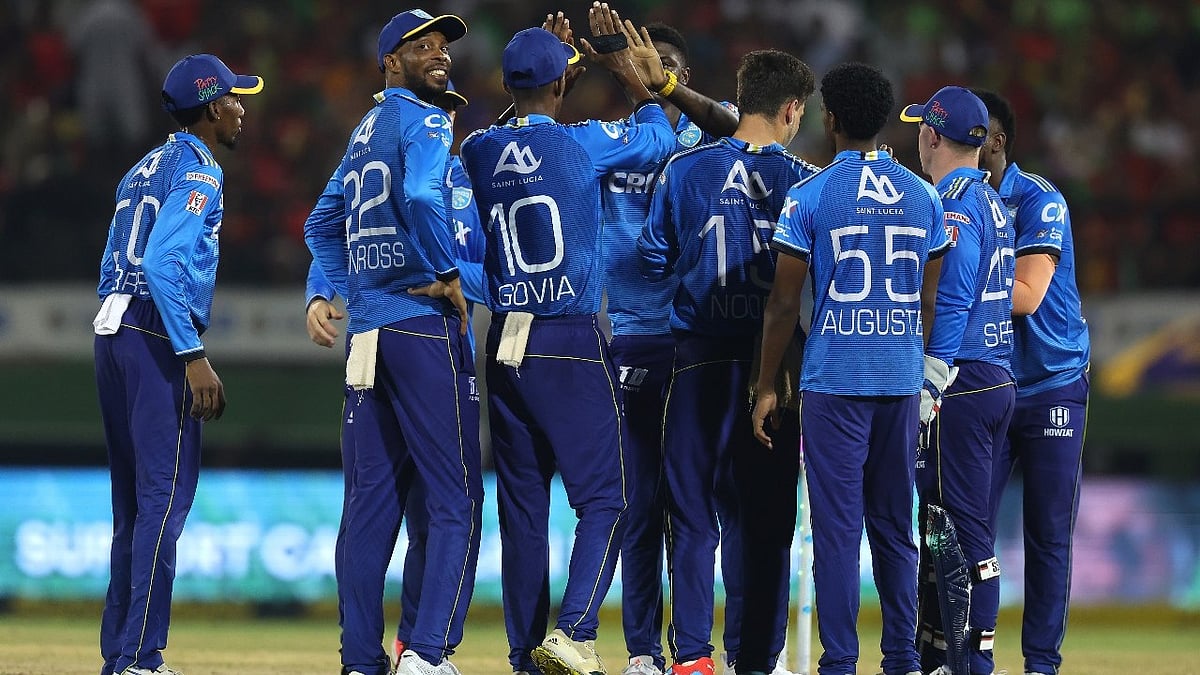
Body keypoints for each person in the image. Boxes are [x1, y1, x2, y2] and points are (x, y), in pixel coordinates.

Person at [459, 8, 675, 674]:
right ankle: (576, 628)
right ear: (561, 86)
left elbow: (505, 137)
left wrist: (542, 82)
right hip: (566, 336)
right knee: (607, 498)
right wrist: (632, 75)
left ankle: (524, 656)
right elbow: (660, 136)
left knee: (524, 509)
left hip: (502, 342)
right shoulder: (583, 142)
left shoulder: (476, 148)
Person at [751, 62, 948, 675]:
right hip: (898, 380)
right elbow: (930, 301)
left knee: (837, 533)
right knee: (895, 527)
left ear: (829, 118)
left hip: (834, 383)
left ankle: (840, 662)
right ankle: (902, 661)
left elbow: (785, 302)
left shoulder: (808, 197)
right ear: (883, 120)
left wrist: (764, 385)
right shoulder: (924, 197)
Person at [304, 9, 483, 675]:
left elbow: (322, 223)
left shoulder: (362, 132)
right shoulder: (426, 120)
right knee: (456, 496)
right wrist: (443, 272)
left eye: (444, 46)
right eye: (424, 45)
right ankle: (426, 654)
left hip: (369, 333)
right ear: (391, 61)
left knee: (368, 508)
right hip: (419, 323)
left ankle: (360, 661)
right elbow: (420, 194)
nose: (440, 54)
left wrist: (336, 289)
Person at [638, 49, 817, 675]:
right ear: (792, 110)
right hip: (778, 375)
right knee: (764, 526)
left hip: (697, 363)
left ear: (743, 96)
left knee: (690, 515)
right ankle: (755, 661)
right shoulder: (808, 182)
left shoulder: (682, 170)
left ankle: (691, 658)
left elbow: (653, 261)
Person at [92, 52, 262, 675]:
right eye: (236, 99)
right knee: (163, 502)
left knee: (132, 508)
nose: (243, 109)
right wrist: (191, 353)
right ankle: (140, 659)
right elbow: (163, 264)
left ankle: (120, 653)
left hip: (111, 327)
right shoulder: (200, 171)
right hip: (156, 332)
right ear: (213, 106)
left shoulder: (142, 167)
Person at [597, 17, 738, 675]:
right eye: (644, 62)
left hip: (695, 342)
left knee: (695, 505)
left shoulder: (710, 141)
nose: (654, 69)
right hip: (629, 337)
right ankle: (643, 651)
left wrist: (666, 89)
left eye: (668, 64)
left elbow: (741, 121)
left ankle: (695, 651)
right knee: (639, 506)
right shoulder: (609, 142)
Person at [973, 88, 1091, 675]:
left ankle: (1040, 665)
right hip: (987, 385)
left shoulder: (1038, 199)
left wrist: (937, 298)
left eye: (972, 127)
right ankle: (968, 659)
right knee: (969, 533)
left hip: (1049, 384)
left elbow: (1027, 295)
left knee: (1047, 538)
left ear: (995, 139)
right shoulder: (952, 201)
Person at [900, 85, 1016, 675]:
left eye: (922, 126)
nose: (918, 135)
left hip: (963, 382)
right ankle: (946, 653)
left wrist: (932, 379)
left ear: (933, 135)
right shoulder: (991, 199)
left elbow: (953, 294)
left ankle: (971, 662)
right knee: (951, 528)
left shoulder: (953, 205)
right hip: (995, 376)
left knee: (961, 531)